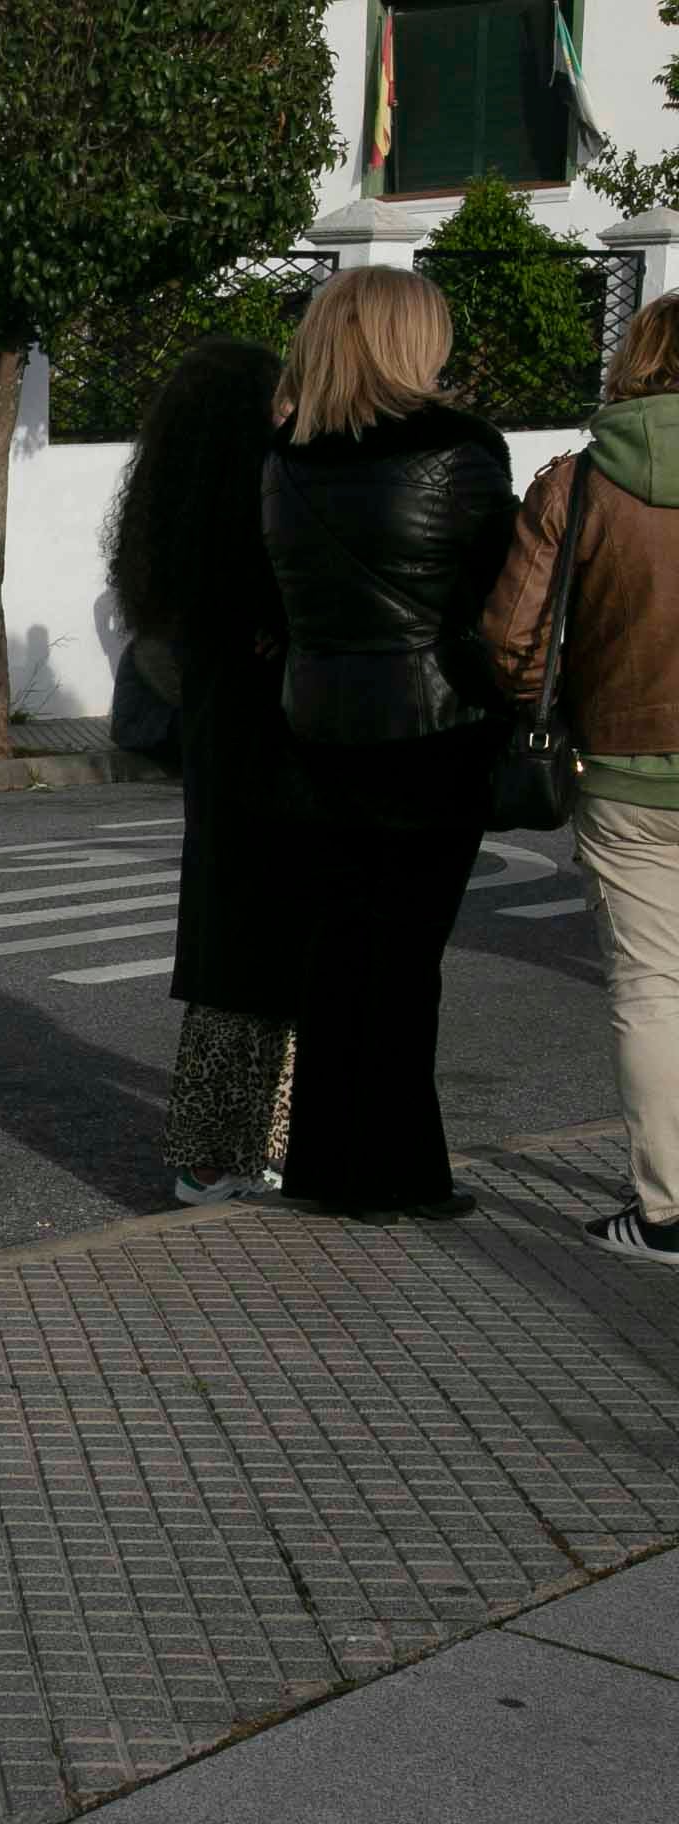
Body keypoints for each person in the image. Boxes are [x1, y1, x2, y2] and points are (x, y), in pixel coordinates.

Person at [262, 266, 515, 1222]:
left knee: (338, 948)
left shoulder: (285, 455)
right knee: (409, 957)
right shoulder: (462, 447)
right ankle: (406, 1170)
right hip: (434, 724)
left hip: (317, 719)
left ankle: (331, 1166)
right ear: (412, 342)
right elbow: (502, 596)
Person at [481, 293, 679, 1263]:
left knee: (651, 990)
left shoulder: (579, 484)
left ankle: (670, 1212)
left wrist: (561, 709)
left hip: (625, 771)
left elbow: (513, 640)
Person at [107, 340, 303, 1206]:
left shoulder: (167, 507)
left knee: (224, 937)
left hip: (215, 744)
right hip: (277, 736)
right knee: (274, 949)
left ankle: (207, 1152)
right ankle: (253, 1144)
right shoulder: (265, 492)